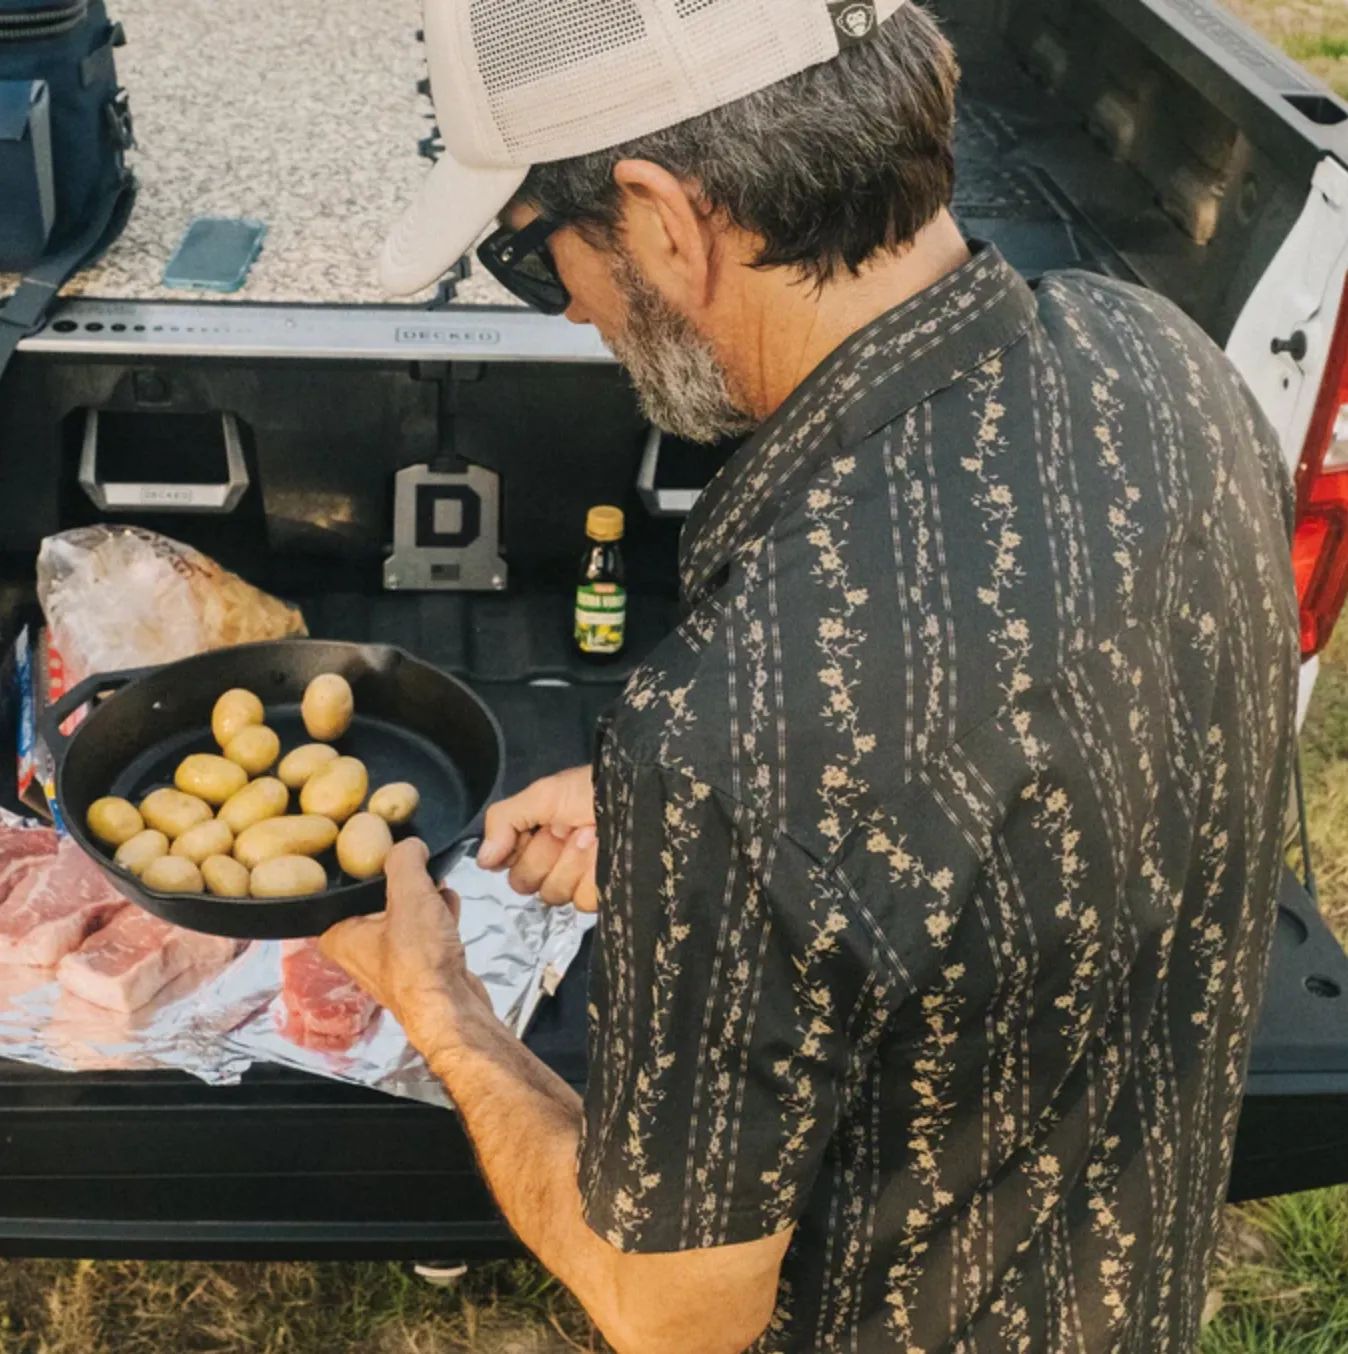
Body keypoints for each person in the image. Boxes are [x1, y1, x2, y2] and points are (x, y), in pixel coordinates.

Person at [323, 2, 1302, 1350]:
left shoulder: (736, 738)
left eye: (534, 259)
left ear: (665, 219)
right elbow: (1058, 756)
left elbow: (671, 1310)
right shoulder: (1157, 357)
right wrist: (749, 851)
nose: (579, 313)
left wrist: (441, 1006)